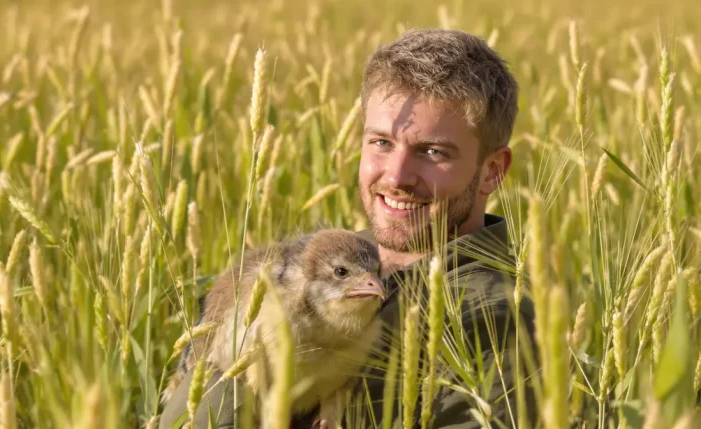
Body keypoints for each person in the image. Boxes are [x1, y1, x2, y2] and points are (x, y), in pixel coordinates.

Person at [160, 28, 536, 429]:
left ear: (492, 171)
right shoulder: (337, 254)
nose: (396, 176)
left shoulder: (496, 319)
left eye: (432, 152)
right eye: (381, 143)